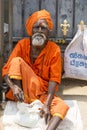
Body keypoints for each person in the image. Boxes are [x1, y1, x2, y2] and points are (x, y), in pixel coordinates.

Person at [2, 9, 69, 130]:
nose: (39, 31)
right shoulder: (22, 44)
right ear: (30, 31)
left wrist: (47, 105)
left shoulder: (54, 50)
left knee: (62, 107)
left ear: (48, 32)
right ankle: (22, 105)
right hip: (22, 94)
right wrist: (13, 87)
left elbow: (54, 79)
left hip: (42, 93)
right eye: (36, 28)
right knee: (16, 61)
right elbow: (6, 70)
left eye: (43, 28)